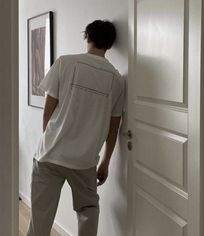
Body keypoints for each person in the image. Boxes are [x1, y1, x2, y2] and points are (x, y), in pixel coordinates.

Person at [27, 20, 125, 236]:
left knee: (41, 216)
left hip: (50, 155)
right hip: (85, 160)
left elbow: (47, 111)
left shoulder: (64, 63)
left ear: (87, 37)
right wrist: (105, 161)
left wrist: (51, 139)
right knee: (88, 210)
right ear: (109, 46)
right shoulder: (116, 80)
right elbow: (114, 126)